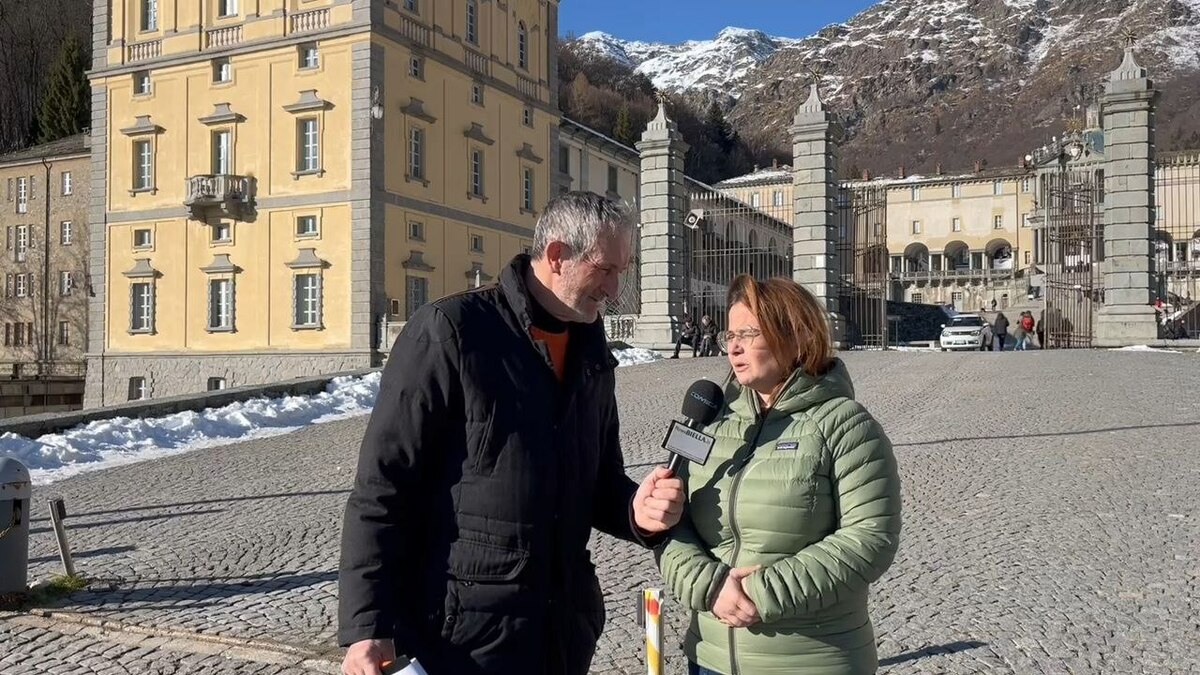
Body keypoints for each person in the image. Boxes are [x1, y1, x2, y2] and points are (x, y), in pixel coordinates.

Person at [338, 192, 686, 675]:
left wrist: (637, 511)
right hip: (462, 639)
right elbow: (383, 488)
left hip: (562, 632)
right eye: (605, 269)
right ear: (558, 255)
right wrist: (366, 626)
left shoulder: (591, 345)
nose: (614, 289)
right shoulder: (449, 332)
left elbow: (600, 481)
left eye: (621, 272)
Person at [657, 274, 902, 675]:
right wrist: (710, 586)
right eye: (729, 335)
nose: (733, 347)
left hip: (811, 660)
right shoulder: (711, 423)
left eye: (748, 333)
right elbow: (673, 522)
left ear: (798, 335)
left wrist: (761, 593)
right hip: (709, 658)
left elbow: (869, 540)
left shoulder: (848, 426)